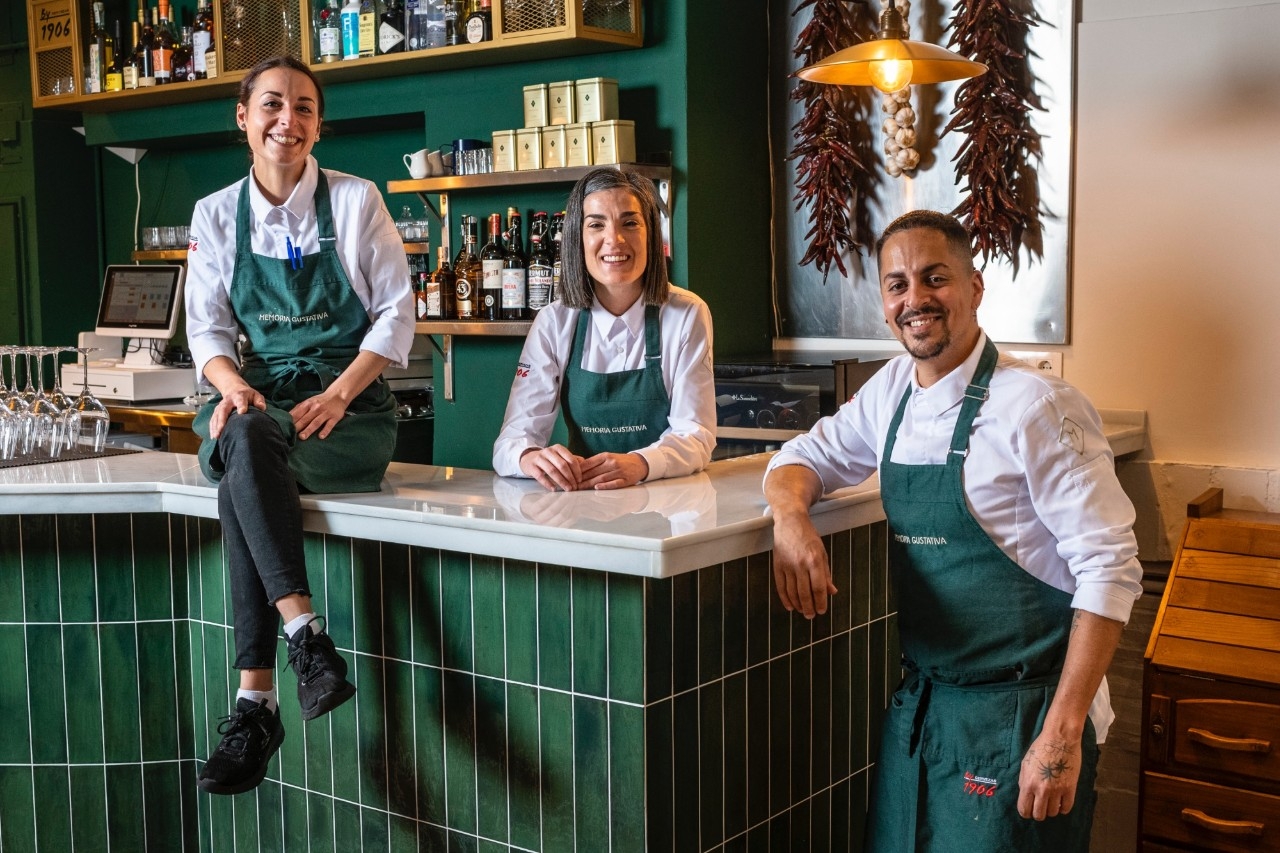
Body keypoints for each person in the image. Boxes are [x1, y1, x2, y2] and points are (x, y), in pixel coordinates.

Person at [763, 210, 1143, 850]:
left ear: (974, 286)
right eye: (896, 284)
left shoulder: (1039, 408)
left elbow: (1111, 570)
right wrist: (792, 517)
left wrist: (1061, 735)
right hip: (926, 711)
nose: (915, 299)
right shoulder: (892, 392)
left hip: (1025, 716)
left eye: (934, 278)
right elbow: (800, 459)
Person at [184, 55, 414, 795]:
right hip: (268, 398)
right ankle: (305, 637)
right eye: (273, 105)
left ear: (319, 123)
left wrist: (343, 392)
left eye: (305, 108)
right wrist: (232, 387)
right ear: (243, 117)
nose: (289, 120)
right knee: (243, 432)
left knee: (240, 469)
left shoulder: (355, 201)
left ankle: (256, 700)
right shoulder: (216, 213)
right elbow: (208, 331)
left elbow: (395, 313)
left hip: (350, 410)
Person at [492, 168, 715, 491]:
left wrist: (640, 463)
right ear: (577, 238)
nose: (614, 240)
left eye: (630, 223)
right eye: (596, 224)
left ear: (651, 233)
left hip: (669, 506)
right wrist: (529, 456)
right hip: (584, 507)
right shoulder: (554, 321)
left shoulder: (686, 314)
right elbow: (509, 443)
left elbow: (695, 435)